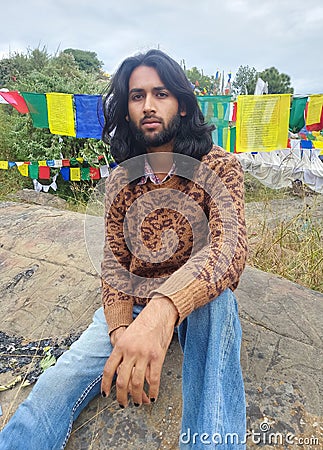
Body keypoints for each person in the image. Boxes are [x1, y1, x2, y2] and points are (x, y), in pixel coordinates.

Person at [0, 49, 248, 449]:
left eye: (160, 93)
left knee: (220, 308)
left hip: (197, 302)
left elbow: (227, 249)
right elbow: (115, 264)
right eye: (137, 96)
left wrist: (163, 311)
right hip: (132, 303)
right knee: (55, 385)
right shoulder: (121, 181)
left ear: (182, 105)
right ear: (128, 109)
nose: (148, 105)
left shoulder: (219, 167)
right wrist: (121, 332)